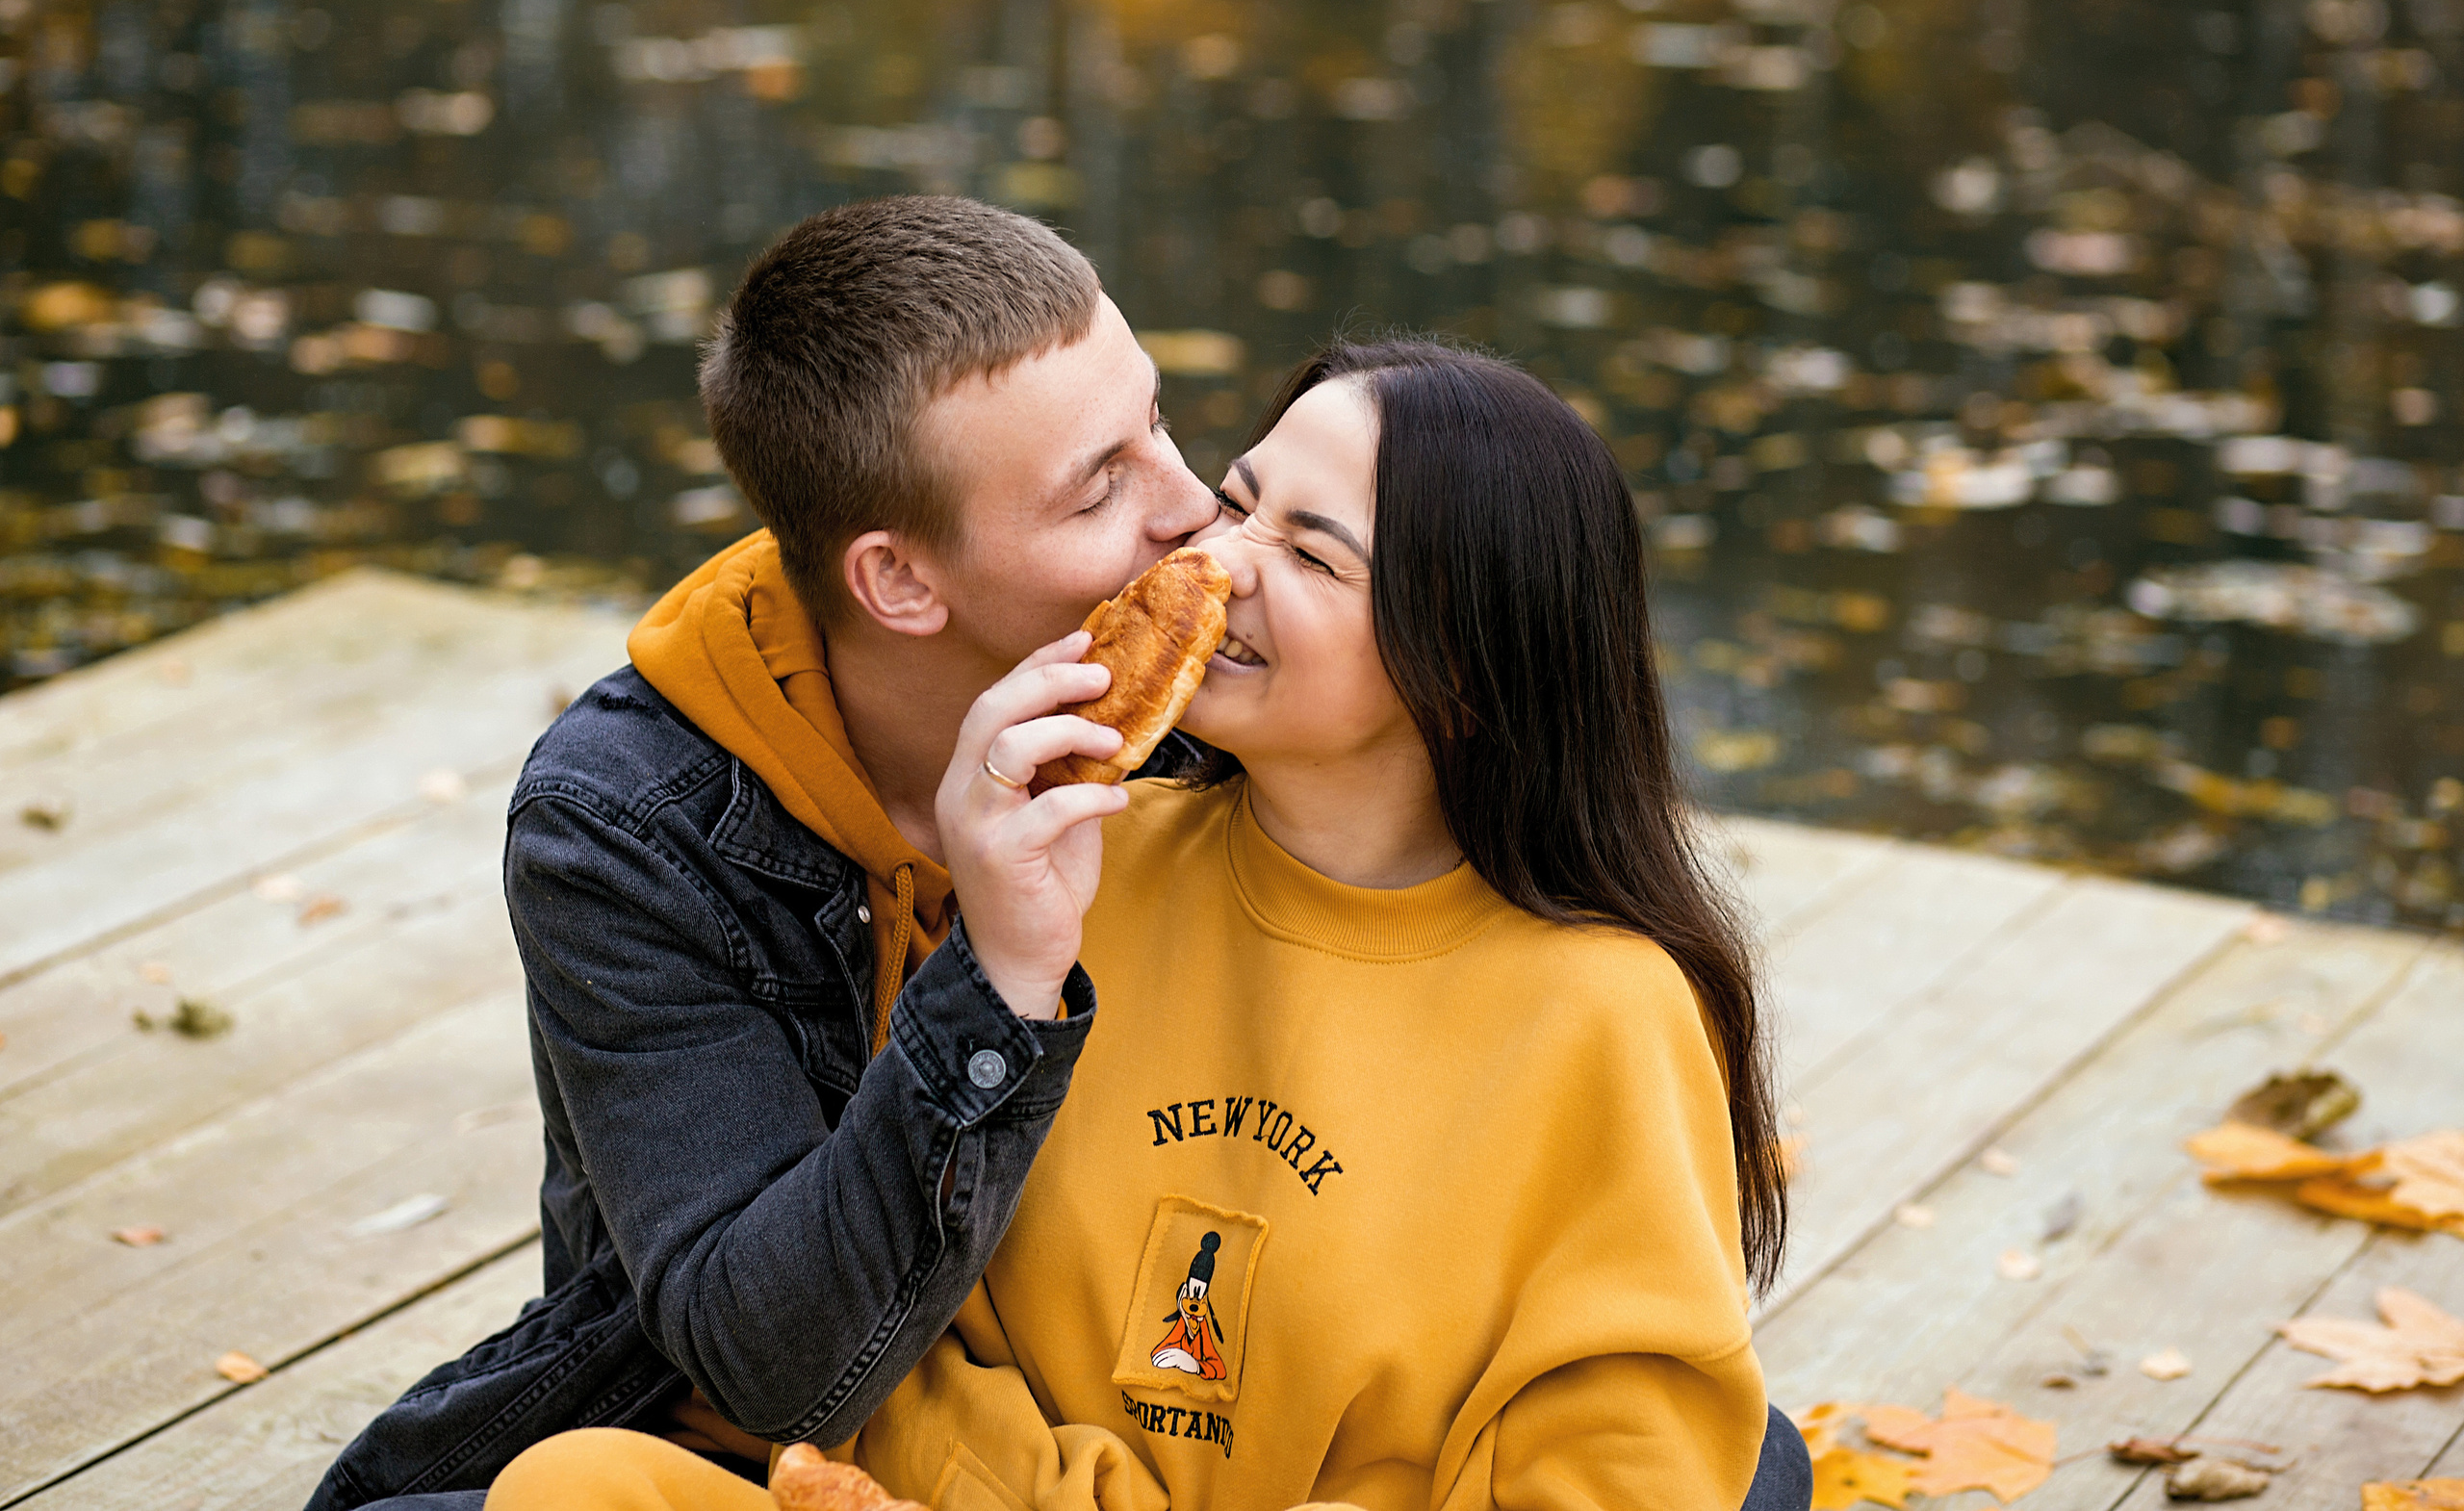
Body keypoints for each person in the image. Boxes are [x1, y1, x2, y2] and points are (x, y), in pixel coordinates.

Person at [481, 338, 1813, 1511]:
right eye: (1238, 504)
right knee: (573, 1485)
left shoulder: (1604, 1005)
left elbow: (1622, 1452)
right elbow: (926, 1329)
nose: (1215, 560)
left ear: (1459, 668)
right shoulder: (1088, 862)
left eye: (1305, 550)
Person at [305, 196, 1220, 1511]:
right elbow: (775, 1369)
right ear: (900, 582)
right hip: (695, 1460)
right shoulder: (624, 823)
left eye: (1161, 422)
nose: (1192, 506)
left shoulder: (1206, 726)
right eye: (1101, 489)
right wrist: (1007, 974)